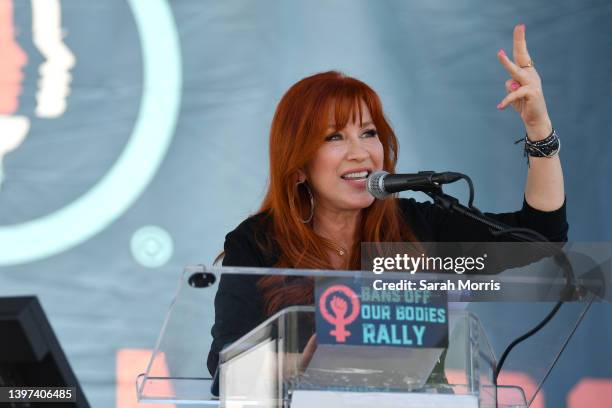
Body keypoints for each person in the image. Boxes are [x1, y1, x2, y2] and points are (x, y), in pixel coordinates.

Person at [207, 24, 568, 377]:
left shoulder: (417, 225)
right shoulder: (257, 242)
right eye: (335, 137)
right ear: (299, 165)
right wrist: (299, 367)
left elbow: (538, 238)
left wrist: (539, 132)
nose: (360, 152)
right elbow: (225, 367)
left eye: (369, 133)